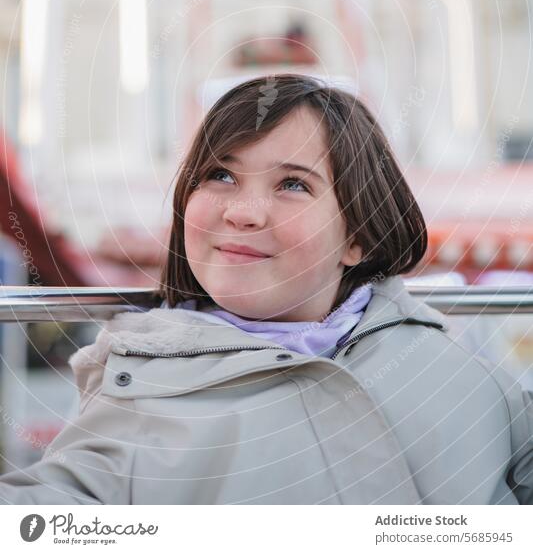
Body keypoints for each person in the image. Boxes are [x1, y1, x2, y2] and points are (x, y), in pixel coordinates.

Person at [1, 73, 532, 504]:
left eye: (293, 184)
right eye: (220, 176)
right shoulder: (136, 401)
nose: (242, 212)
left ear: (359, 237)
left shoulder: (469, 376)